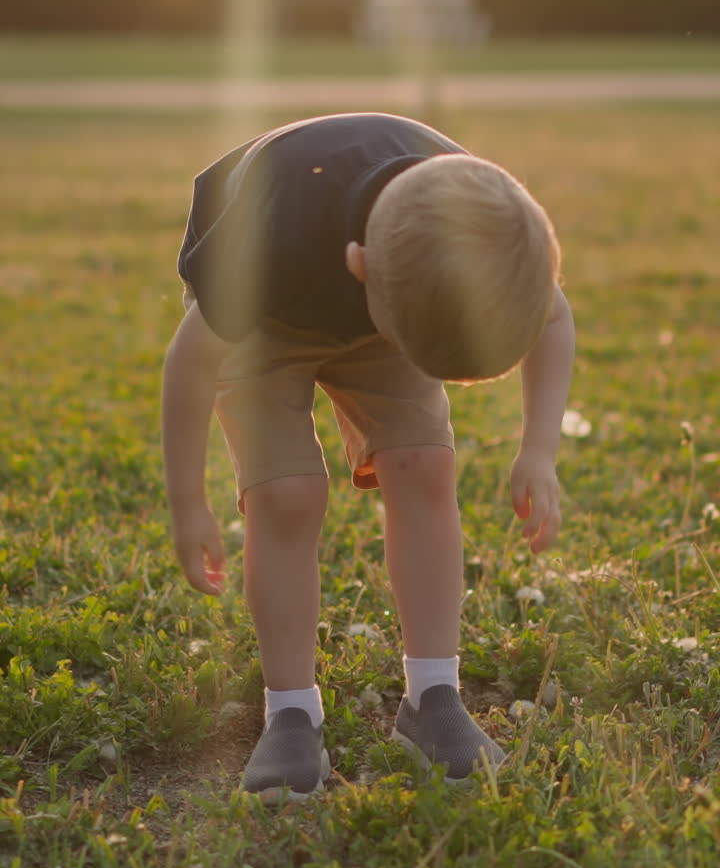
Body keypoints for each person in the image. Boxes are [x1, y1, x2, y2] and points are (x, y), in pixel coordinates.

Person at [162, 111, 575, 801]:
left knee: (425, 464)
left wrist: (539, 451)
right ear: (361, 271)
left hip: (395, 295)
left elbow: (553, 317)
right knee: (286, 495)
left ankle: (433, 699)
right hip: (264, 318)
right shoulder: (270, 241)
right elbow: (190, 363)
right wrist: (187, 504)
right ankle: (291, 712)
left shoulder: (480, 230)